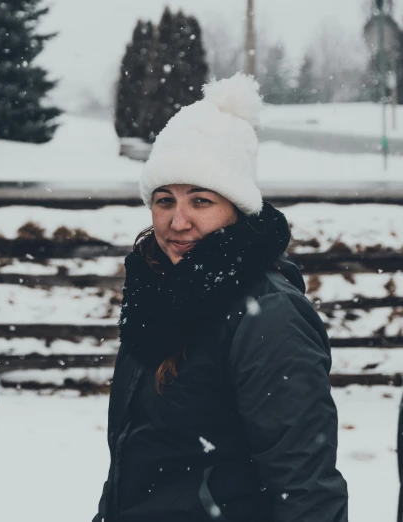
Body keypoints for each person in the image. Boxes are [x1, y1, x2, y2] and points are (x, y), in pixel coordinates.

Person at [92, 73, 348, 522]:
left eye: (202, 200)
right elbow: (141, 455)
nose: (178, 221)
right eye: (165, 200)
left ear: (236, 210)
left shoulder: (269, 315)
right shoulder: (154, 294)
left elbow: (304, 485)